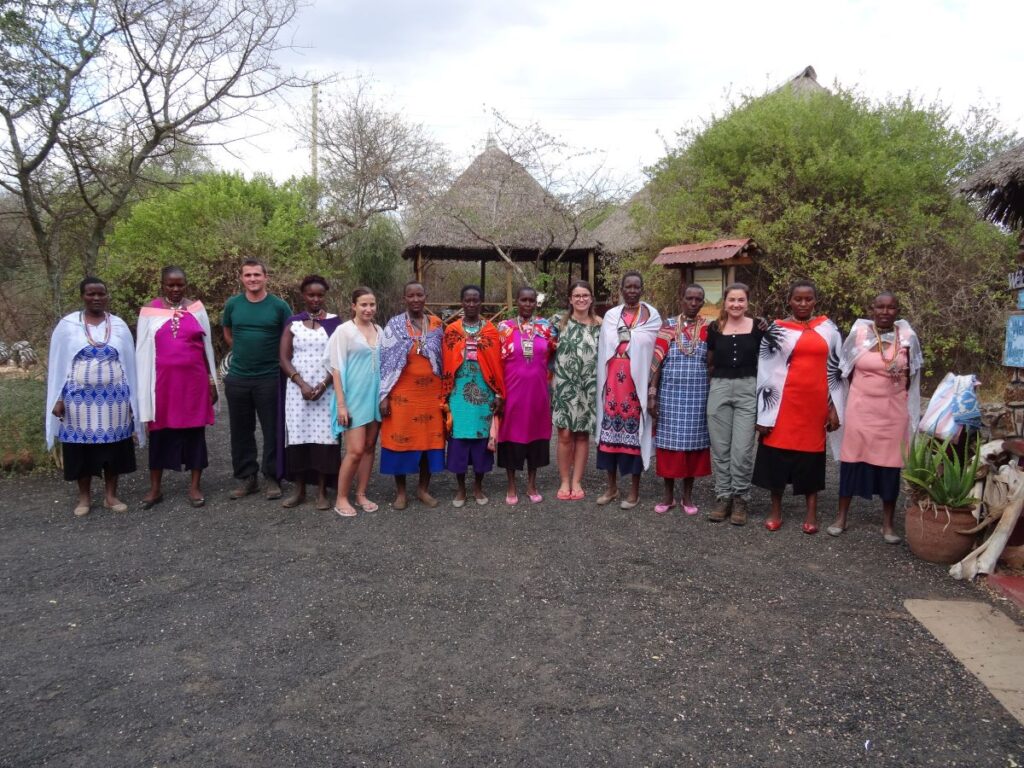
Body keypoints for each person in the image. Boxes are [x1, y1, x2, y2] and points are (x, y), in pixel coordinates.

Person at [828, 292, 923, 543]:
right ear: (872, 309)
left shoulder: (908, 338)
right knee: (852, 460)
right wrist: (838, 406)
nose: (884, 312)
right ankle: (841, 517)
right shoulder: (859, 335)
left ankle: (889, 525)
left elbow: (912, 377)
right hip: (861, 410)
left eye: (890, 308)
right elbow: (844, 372)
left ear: (897, 310)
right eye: (880, 307)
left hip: (893, 413)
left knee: (890, 465)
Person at [45, 277, 143, 516]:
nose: (97, 298)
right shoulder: (68, 325)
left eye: (101, 294)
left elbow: (130, 364)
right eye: (91, 294)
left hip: (115, 400)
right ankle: (84, 499)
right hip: (77, 401)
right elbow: (58, 365)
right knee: (81, 450)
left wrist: (133, 401)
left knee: (114, 448)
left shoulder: (118, 325)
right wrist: (58, 398)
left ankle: (111, 496)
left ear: (107, 296)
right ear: (82, 296)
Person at [753, 280, 844, 534]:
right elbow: (765, 371)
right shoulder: (777, 329)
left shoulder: (830, 330)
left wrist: (834, 408)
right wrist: (763, 412)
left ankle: (811, 512)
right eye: (798, 299)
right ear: (789, 301)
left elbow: (838, 370)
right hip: (783, 405)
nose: (803, 303)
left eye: (808, 299)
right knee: (777, 456)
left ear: (815, 301)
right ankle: (775, 510)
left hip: (814, 406)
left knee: (811, 458)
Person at [135, 266, 218, 509]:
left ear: (186, 284)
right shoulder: (149, 312)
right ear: (162, 284)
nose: (175, 289)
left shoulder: (197, 309)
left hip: (193, 384)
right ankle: (155, 489)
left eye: (180, 284)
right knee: (160, 433)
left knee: (194, 434)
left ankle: (194, 487)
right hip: (161, 385)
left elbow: (207, 348)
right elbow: (142, 350)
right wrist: (143, 389)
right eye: (170, 284)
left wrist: (212, 380)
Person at [222, 259, 292, 500]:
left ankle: (272, 476)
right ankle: (246, 477)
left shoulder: (279, 306)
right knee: (241, 431)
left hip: (270, 377)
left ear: (266, 277)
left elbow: (289, 338)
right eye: (248, 275)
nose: (252, 279)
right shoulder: (233, 305)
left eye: (257, 275)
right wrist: (242, 350)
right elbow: (228, 332)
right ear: (242, 278)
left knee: (273, 429)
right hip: (238, 377)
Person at [596, 271, 662, 509]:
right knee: (608, 436)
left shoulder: (652, 317)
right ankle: (611, 488)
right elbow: (606, 346)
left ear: (641, 289)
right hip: (613, 383)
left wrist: (653, 389)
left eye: (636, 287)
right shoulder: (612, 316)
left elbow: (656, 354)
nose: (632, 290)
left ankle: (634, 491)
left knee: (634, 436)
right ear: (621, 289)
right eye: (628, 287)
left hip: (637, 385)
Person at [379, 282, 445, 509]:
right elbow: (385, 364)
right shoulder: (394, 325)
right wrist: (384, 396)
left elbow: (444, 359)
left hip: (431, 396)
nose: (415, 299)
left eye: (420, 295)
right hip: (402, 395)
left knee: (429, 441)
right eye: (411, 295)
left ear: (426, 297)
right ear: (404, 298)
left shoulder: (436, 324)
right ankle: (400, 493)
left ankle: (423, 490)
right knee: (400, 439)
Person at [277, 275, 341, 510]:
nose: (315, 299)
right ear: (303, 296)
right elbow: (283, 357)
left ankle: (322, 492)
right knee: (299, 436)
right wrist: (301, 383)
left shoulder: (335, 323)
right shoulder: (293, 323)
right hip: (297, 392)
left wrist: (323, 385)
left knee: (325, 439)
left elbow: (338, 358)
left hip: (328, 390)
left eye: (320, 295)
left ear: (325, 296)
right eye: (311, 295)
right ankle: (299, 489)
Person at [704, 283, 765, 525]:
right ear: (725, 302)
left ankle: (741, 497)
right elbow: (709, 361)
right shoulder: (715, 327)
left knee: (742, 449)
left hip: (747, 388)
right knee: (720, 448)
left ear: (748, 303)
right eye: (732, 300)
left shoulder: (758, 328)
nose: (736, 305)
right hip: (719, 386)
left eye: (741, 300)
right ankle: (723, 496)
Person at [649, 285, 711, 515]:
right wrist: (653, 394)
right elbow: (657, 363)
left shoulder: (709, 329)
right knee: (669, 446)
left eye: (698, 299)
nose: (693, 303)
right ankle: (667, 497)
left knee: (693, 446)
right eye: (689, 298)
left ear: (703, 303)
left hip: (698, 397)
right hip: (670, 396)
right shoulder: (667, 327)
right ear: (681, 299)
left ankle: (687, 497)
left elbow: (711, 364)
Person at [442, 285, 505, 507]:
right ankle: (461, 489)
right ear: (461, 302)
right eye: (467, 300)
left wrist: (498, 393)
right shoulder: (451, 330)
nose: (471, 304)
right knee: (459, 440)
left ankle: (478, 487)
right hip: (458, 393)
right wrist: (446, 395)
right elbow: (446, 363)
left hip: (484, 392)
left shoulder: (490, 330)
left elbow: (497, 364)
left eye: (475, 300)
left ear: (481, 302)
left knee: (481, 440)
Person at [496, 286, 556, 504]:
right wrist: (497, 393)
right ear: (517, 302)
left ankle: (532, 484)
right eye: (524, 300)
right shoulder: (504, 328)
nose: (528, 304)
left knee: (536, 435)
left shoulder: (546, 327)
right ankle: (511, 485)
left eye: (532, 300)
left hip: (538, 394)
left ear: (536, 303)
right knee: (511, 436)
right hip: (512, 393)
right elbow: (496, 362)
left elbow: (555, 354)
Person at [327, 287, 383, 517]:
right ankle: (341, 498)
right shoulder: (344, 331)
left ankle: (361, 493)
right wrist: (341, 404)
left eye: (372, 304)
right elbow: (336, 369)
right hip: (353, 398)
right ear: (353, 306)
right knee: (355, 450)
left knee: (370, 447)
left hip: (374, 397)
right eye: (363, 305)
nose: (368, 309)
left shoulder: (379, 329)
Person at [552, 280, 601, 501]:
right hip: (564, 387)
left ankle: (576, 480)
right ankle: (564, 480)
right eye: (577, 295)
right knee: (564, 435)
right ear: (570, 299)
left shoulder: (601, 325)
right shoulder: (558, 323)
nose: (581, 299)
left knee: (582, 435)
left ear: (591, 299)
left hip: (589, 388)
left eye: (585, 295)